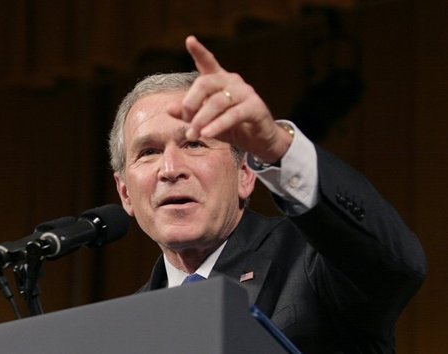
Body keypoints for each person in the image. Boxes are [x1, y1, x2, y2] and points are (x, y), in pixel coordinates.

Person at [108, 36, 427, 353]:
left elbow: (396, 266)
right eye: (148, 152)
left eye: (194, 144)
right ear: (125, 194)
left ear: (245, 174)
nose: (170, 168)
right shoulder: (122, 331)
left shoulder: (311, 260)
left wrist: (276, 146)